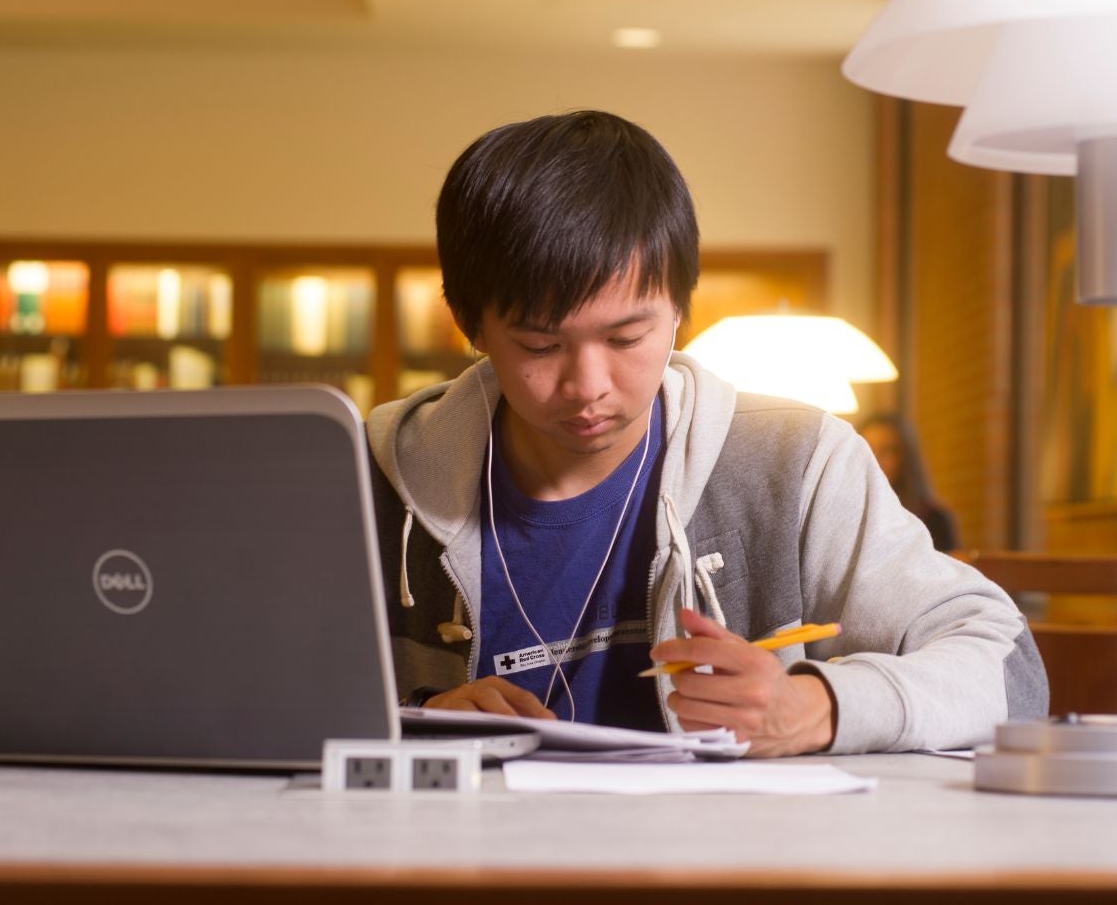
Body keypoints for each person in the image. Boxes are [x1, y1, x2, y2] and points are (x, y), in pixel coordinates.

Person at [366, 110, 1046, 758]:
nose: (588, 385)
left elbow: (1011, 671)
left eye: (627, 336)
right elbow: (267, 686)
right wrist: (414, 719)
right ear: (470, 325)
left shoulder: (794, 463)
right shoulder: (371, 476)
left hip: (729, 870)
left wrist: (817, 707)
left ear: (681, 311)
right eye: (540, 346)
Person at [857, 413, 960, 552]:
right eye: (868, 450)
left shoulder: (934, 520)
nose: (876, 460)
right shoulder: (844, 515)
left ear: (905, 457)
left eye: (887, 451)